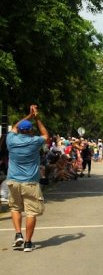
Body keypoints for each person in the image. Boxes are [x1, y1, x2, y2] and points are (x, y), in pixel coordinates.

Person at [6, 105, 49, 252]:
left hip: (13, 181)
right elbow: (45, 135)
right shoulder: (34, 141)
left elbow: (15, 127)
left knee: (15, 208)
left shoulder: (10, 140)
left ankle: (18, 234)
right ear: (30, 130)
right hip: (30, 183)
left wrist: (29, 116)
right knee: (31, 212)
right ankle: (28, 243)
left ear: (19, 130)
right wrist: (37, 117)